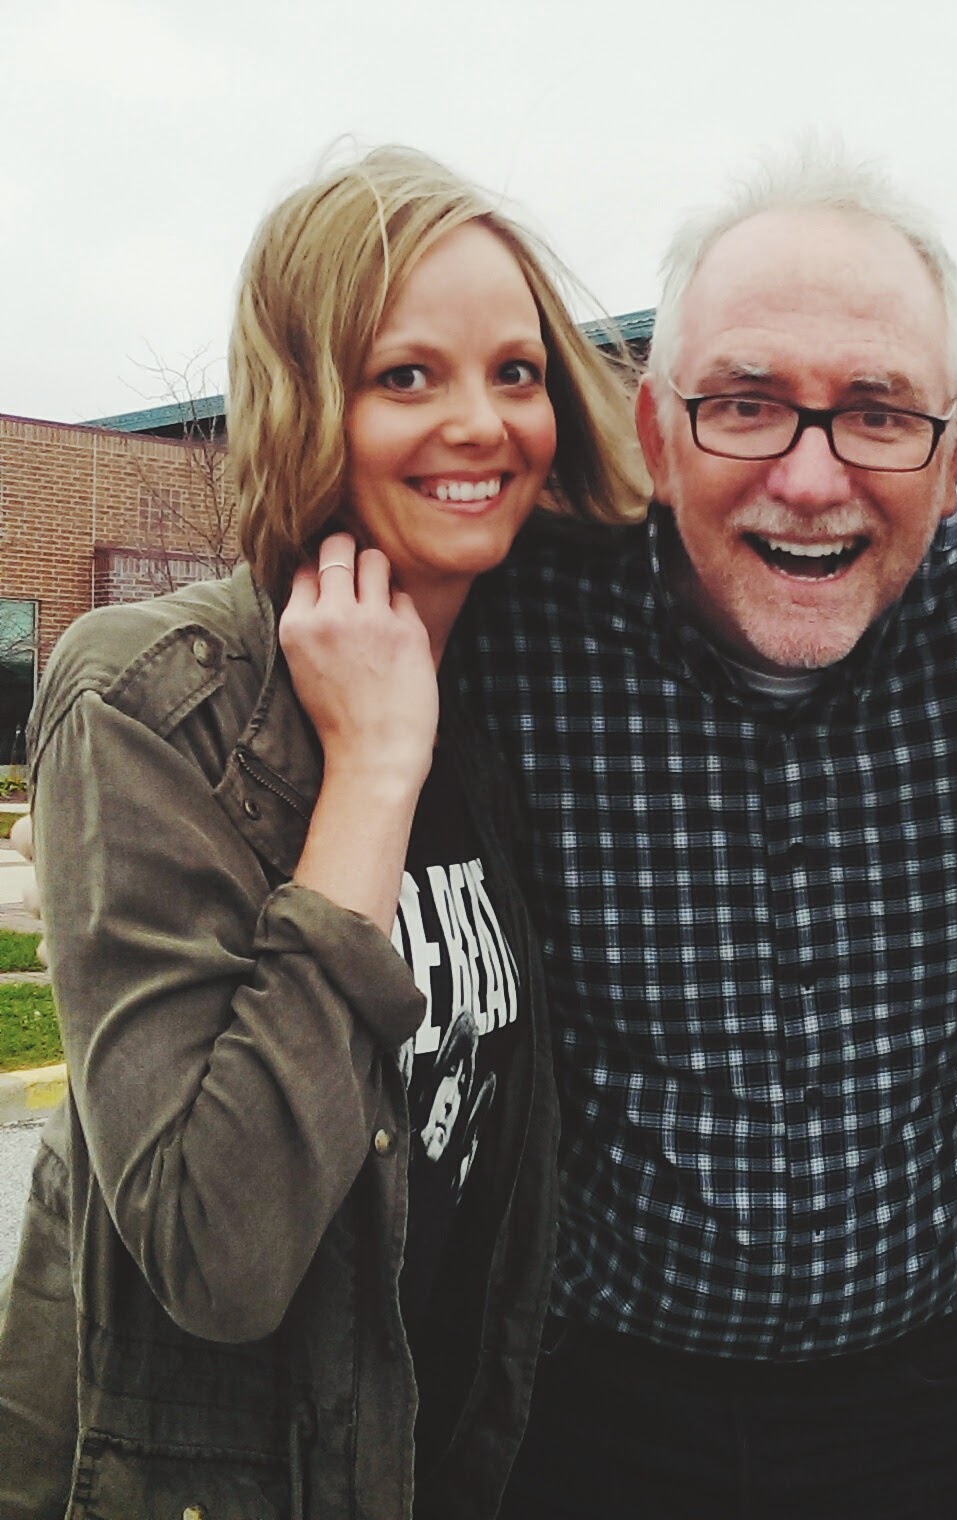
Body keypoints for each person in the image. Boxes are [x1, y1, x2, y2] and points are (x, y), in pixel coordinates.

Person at [0, 146, 644, 1518]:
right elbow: (216, 1253)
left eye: (516, 372)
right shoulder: (146, 700)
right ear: (304, 397)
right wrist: (371, 772)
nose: (481, 422)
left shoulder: (507, 677)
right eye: (406, 375)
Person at [471, 151, 957, 1518]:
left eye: (878, 413)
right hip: (587, 1396)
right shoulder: (510, 615)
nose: (810, 479)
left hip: (930, 1393)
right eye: (745, 404)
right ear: (654, 430)